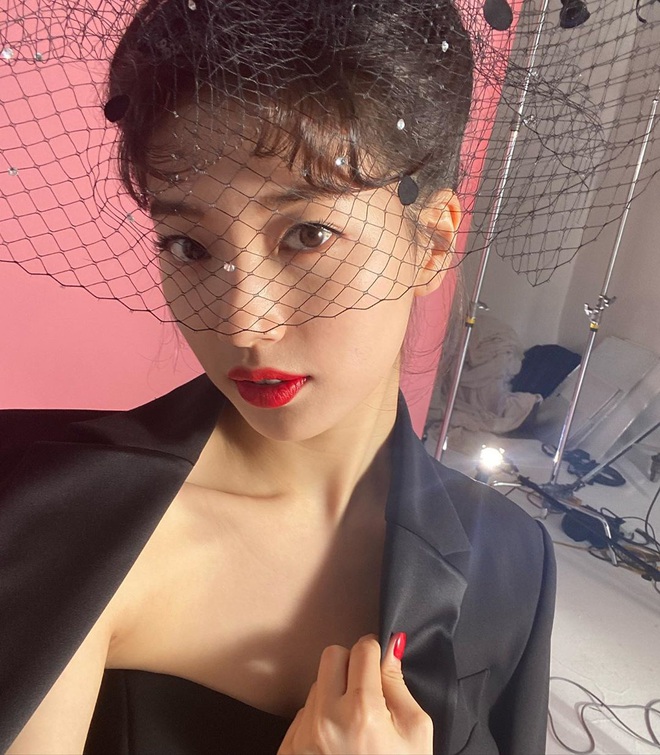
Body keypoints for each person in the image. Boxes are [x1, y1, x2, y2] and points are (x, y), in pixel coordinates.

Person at [0, 0, 556, 753]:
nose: (242, 324)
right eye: (188, 245)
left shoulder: (512, 564)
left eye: (307, 234)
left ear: (429, 245)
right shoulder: (68, 522)